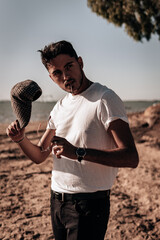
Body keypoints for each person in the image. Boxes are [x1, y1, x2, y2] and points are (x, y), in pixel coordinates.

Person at [6, 40, 139, 240]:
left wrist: (78, 152)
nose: (66, 76)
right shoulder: (60, 106)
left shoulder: (105, 99)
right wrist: (20, 139)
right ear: (51, 78)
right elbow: (40, 154)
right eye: (57, 73)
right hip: (57, 201)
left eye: (69, 66)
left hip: (89, 204)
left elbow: (131, 157)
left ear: (80, 62)